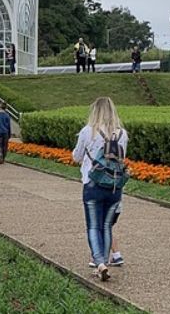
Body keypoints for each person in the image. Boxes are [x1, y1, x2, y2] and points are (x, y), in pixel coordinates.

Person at [71, 97, 127, 282]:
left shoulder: (88, 131)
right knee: (106, 226)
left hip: (92, 183)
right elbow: (122, 158)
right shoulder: (122, 134)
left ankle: (100, 263)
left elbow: (77, 156)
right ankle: (103, 262)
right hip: (114, 186)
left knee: (94, 226)